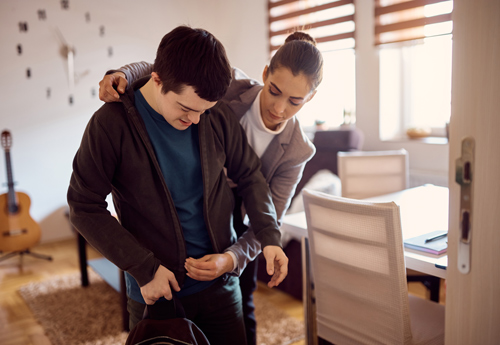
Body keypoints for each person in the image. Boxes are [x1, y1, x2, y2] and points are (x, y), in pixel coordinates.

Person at [68, 26, 289, 345]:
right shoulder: (110, 125)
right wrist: (144, 268)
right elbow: (83, 206)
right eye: (186, 109)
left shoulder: (216, 117)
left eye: (204, 110)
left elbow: (250, 175)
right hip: (156, 294)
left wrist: (269, 236)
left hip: (222, 288)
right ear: (157, 80)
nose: (196, 120)